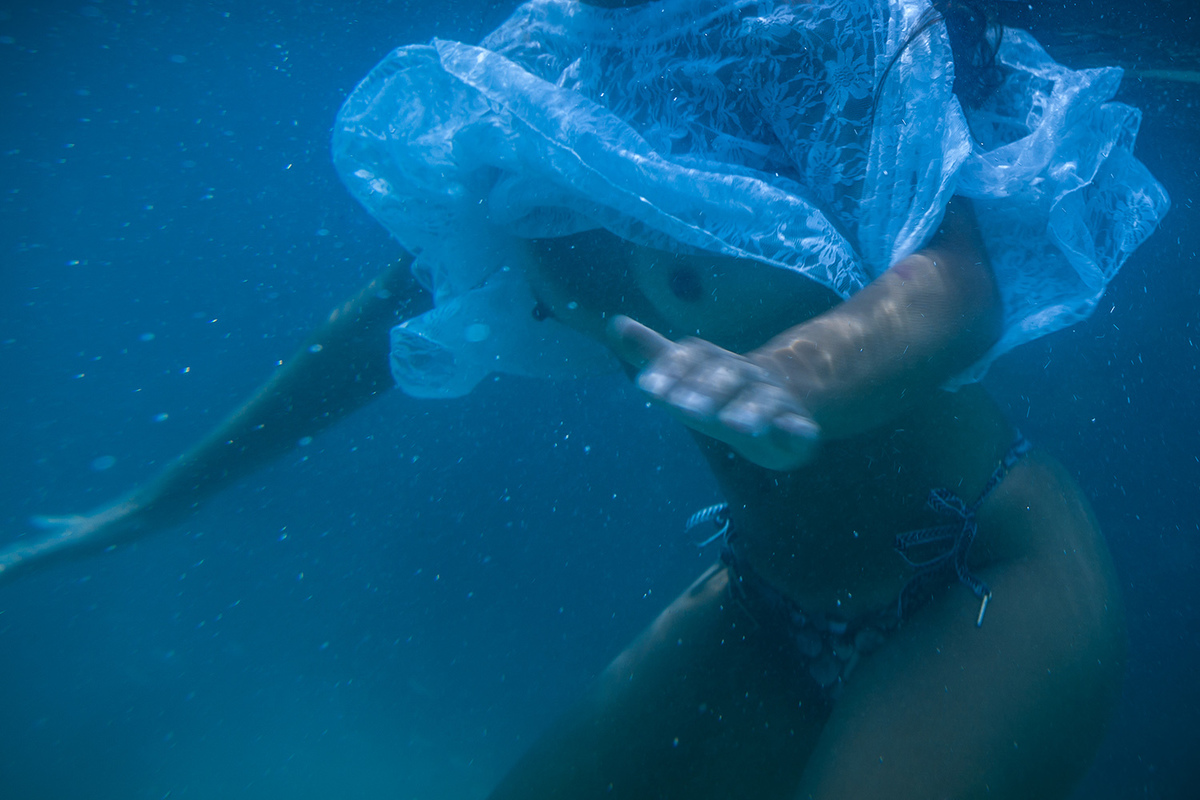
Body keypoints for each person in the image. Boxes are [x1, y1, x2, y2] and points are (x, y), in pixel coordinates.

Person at [1, 0, 1169, 797]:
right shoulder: (554, 60)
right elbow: (391, 317)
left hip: (977, 573)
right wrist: (164, 496)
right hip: (764, 599)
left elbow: (950, 280)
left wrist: (788, 373)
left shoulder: (836, 26)